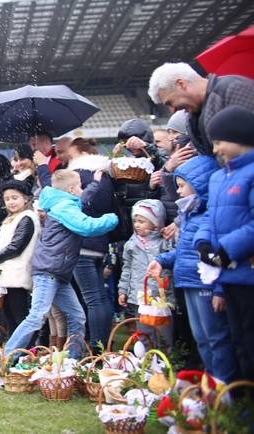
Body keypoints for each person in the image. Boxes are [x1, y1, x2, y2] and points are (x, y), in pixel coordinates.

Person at [3, 170, 118, 357]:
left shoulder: (62, 203)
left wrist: (95, 184)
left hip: (58, 272)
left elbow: (84, 199)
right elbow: (86, 226)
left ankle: (72, 360)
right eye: (80, 186)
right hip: (49, 271)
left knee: (77, 316)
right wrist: (112, 218)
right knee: (36, 317)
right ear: (72, 189)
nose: (82, 189)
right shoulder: (65, 207)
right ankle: (6, 358)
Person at [147, 155, 237, 383]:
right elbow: (184, 251)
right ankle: (210, 385)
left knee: (215, 338)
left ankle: (223, 387)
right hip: (187, 280)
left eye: (181, 186)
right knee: (201, 339)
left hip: (203, 283)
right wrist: (163, 259)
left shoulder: (208, 215)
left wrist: (218, 290)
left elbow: (218, 255)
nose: (178, 192)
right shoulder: (189, 214)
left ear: (199, 185)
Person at [194, 105, 254, 380]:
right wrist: (204, 243)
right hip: (228, 275)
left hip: (246, 274)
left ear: (241, 138)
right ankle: (239, 409)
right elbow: (209, 215)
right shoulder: (218, 177)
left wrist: (226, 249)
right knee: (238, 345)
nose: (215, 149)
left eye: (219, 141)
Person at [66, 138, 116, 349]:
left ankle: (97, 348)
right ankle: (103, 344)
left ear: (82, 153)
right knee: (101, 298)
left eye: (70, 155)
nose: (68, 160)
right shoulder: (105, 176)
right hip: (99, 242)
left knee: (93, 299)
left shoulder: (79, 175)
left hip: (82, 243)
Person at [148, 62, 254, 156]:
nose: (173, 110)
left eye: (170, 102)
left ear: (181, 84)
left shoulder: (234, 88)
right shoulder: (193, 114)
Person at [0, 180, 40, 335]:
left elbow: (16, 246)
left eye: (15, 198)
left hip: (17, 276)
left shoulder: (27, 217)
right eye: (7, 199)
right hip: (8, 276)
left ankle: (23, 350)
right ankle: (14, 351)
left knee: (19, 316)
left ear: (25, 198)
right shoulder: (12, 218)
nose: (11, 202)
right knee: (10, 317)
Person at [117, 199, 174, 349]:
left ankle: (166, 360)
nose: (137, 225)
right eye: (135, 221)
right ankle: (147, 361)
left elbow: (170, 268)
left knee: (163, 330)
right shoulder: (132, 244)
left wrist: (170, 294)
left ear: (155, 223)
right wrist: (123, 290)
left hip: (160, 296)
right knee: (143, 330)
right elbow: (127, 268)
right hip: (140, 296)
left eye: (142, 221)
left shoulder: (164, 242)